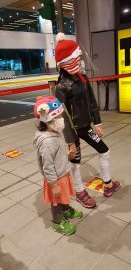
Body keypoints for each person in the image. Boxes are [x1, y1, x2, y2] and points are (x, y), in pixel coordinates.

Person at [54, 33, 121, 209]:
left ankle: (108, 185)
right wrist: (70, 142)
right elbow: (63, 117)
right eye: (77, 58)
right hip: (73, 131)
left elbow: (92, 102)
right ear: (67, 61)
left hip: (85, 127)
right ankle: (79, 191)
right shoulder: (61, 87)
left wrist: (97, 123)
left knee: (104, 151)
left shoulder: (82, 79)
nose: (80, 61)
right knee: (75, 163)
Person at [33, 95, 83, 235]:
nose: (61, 120)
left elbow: (55, 155)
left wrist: (65, 155)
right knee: (56, 200)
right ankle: (58, 222)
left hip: (62, 172)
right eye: (58, 117)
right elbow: (47, 166)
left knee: (64, 195)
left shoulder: (55, 132)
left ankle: (66, 211)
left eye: (61, 116)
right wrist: (54, 185)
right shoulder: (47, 142)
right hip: (55, 178)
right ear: (47, 120)